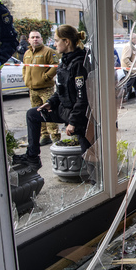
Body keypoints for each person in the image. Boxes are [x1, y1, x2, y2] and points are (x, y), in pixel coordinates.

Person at [13, 25, 91, 172]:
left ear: (66, 41)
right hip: (64, 110)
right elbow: (60, 89)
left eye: (56, 41)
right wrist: (50, 103)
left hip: (78, 115)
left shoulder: (79, 63)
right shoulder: (64, 62)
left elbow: (83, 98)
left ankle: (96, 179)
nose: (54, 44)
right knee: (32, 114)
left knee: (89, 154)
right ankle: (32, 157)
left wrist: (73, 123)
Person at [22, 30, 60, 146]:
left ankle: (55, 136)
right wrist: (25, 79)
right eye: (32, 37)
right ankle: (45, 135)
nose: (35, 39)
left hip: (45, 88)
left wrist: (45, 77)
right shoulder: (27, 53)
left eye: (37, 37)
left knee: (49, 112)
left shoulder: (48, 52)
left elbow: (55, 66)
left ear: (41, 39)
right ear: (29, 40)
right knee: (37, 113)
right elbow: (25, 68)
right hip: (33, 89)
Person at [120, 33, 136, 106]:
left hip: (133, 71)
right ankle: (118, 101)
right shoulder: (128, 47)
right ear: (132, 39)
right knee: (128, 86)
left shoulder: (132, 47)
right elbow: (125, 59)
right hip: (130, 70)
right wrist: (132, 66)